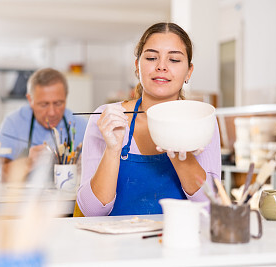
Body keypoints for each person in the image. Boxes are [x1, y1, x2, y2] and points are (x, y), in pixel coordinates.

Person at [76, 22, 221, 216]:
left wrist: (181, 155)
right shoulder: (108, 119)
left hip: (178, 241)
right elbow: (92, 213)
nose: (161, 66)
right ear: (137, 66)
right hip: (115, 244)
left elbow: (212, 208)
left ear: (189, 71)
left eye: (174, 60)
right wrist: (112, 150)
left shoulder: (201, 121)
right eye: (152, 57)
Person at [0, 68, 88, 173]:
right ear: (30, 100)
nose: (52, 112)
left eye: (58, 103)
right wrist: (28, 163)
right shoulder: (13, 124)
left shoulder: (83, 126)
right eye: (44, 105)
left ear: (66, 97)